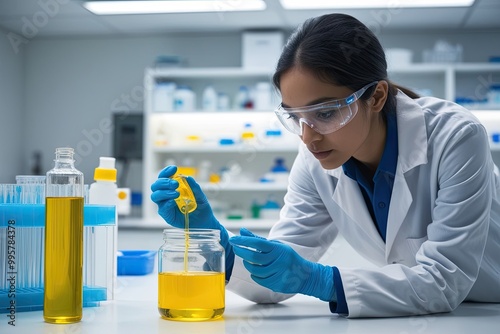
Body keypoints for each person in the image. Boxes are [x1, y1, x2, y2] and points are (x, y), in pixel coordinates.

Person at [150, 13, 500, 318]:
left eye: (326, 113)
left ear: (376, 97)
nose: (308, 137)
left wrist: (318, 280)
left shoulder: (455, 136)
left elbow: (444, 278)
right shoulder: (317, 161)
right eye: (295, 116)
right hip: (433, 314)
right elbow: (276, 278)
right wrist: (215, 241)